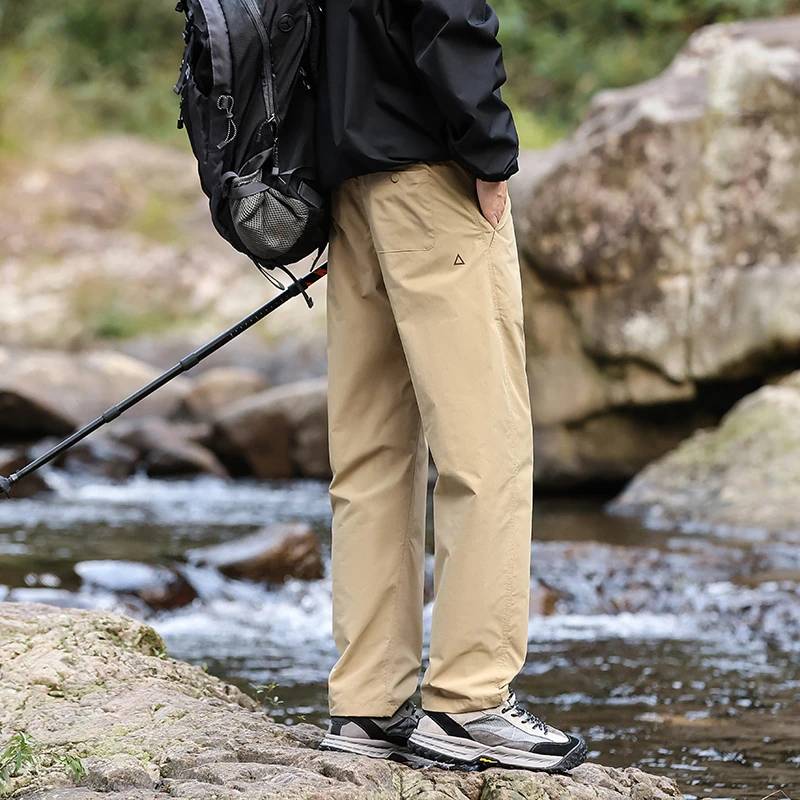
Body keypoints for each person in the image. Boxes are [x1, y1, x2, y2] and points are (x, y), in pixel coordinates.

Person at [315, 0, 587, 772]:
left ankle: (366, 705)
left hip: (348, 182)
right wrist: (490, 152)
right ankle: (468, 706)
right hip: (433, 178)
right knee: (486, 450)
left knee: (370, 457)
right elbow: (447, 15)